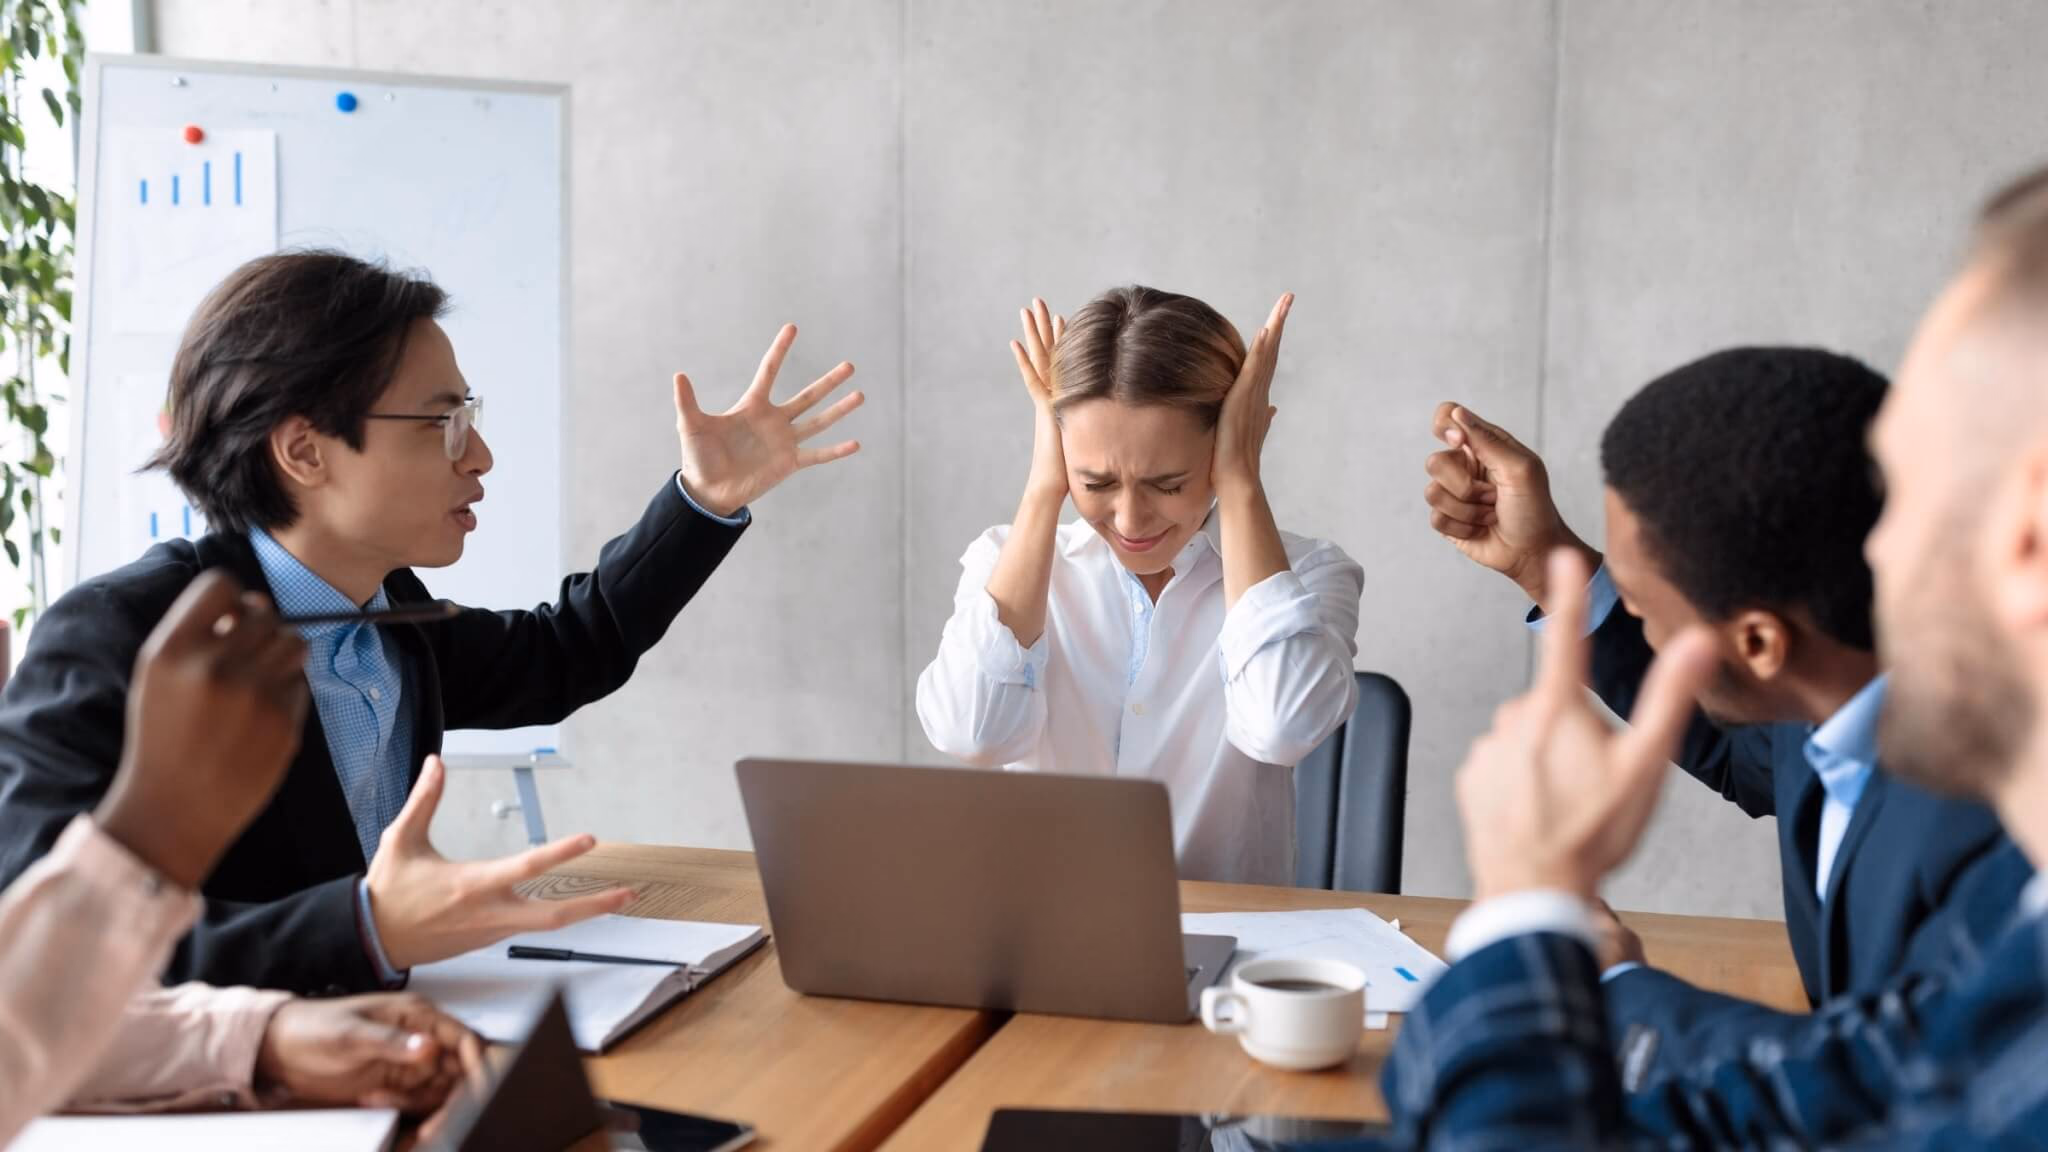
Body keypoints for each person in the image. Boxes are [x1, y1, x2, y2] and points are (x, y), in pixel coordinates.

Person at [1365, 162, 2048, 1149]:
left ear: (2026, 536)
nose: (1876, 545)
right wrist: (1550, 564)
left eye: (1907, 487)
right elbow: (1834, 1088)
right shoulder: (2015, 923)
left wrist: (1524, 917)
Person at [0, 249, 865, 994]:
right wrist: (366, 929)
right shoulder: (121, 637)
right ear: (303, 451)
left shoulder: (390, 611)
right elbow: (41, 958)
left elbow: (568, 650)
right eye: (443, 424)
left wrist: (701, 503)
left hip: (384, 1046)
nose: (479, 457)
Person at [1, 571, 481, 1146]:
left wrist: (264, 1041)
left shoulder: (403, 614)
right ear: (302, 470)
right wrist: (147, 836)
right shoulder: (116, 620)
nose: (480, 472)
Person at [916, 288, 1363, 885]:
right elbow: (973, 734)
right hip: (1044, 944)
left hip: (1233, 950)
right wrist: (1045, 488)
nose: (1129, 521)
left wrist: (1240, 483)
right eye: (1096, 482)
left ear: (1228, 443)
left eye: (1169, 484)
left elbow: (1281, 726)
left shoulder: (1306, 576)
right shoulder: (1004, 562)